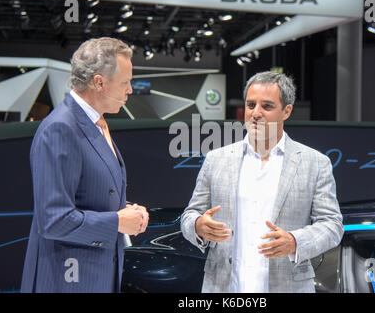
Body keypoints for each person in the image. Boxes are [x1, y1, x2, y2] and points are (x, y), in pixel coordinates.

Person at [181, 71, 344, 293]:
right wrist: (198, 226)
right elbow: (190, 215)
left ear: (286, 111)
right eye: (250, 105)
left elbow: (332, 225)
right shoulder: (217, 159)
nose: (255, 113)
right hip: (224, 288)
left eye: (266, 106)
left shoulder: (315, 163)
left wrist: (295, 241)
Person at [21, 37, 149, 293]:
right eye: (125, 82)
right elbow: (54, 220)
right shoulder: (60, 128)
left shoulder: (95, 123)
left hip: (93, 276)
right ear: (99, 82)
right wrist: (117, 222)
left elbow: (86, 197)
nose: (131, 90)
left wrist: (125, 211)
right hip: (67, 281)